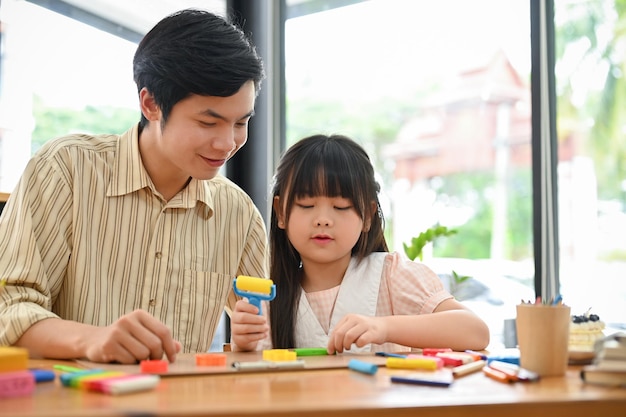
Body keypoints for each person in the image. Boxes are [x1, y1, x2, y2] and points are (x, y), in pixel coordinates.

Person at [0, 9, 267, 364]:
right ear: (151, 103)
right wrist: (93, 340)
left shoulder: (239, 213)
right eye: (208, 122)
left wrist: (256, 336)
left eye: (240, 122)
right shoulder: (66, 169)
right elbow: (10, 309)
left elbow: (263, 327)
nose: (227, 143)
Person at [230, 134, 490, 353]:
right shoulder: (266, 300)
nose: (323, 220)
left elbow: (475, 331)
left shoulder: (392, 276)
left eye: (341, 206)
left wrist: (384, 327)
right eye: (307, 205)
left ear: (367, 215)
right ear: (282, 213)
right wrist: (244, 344)